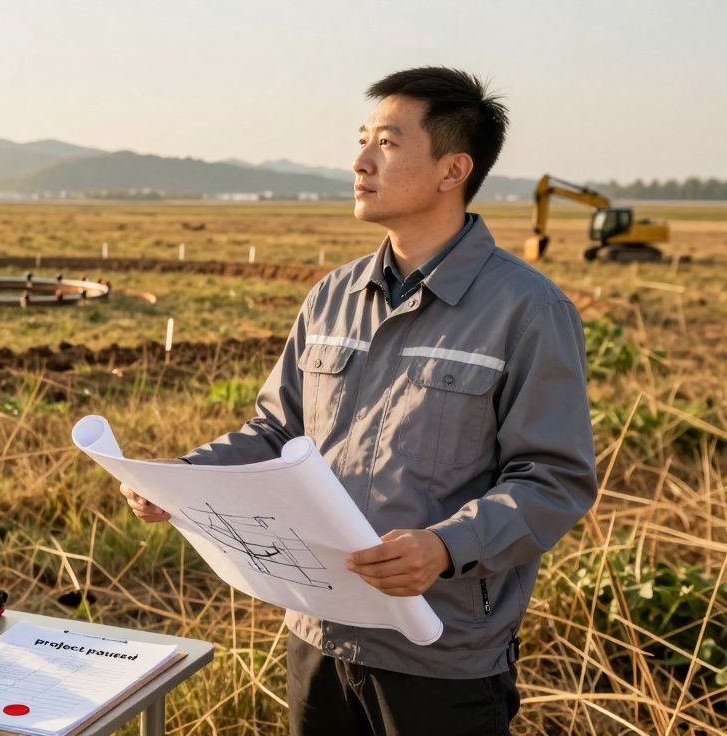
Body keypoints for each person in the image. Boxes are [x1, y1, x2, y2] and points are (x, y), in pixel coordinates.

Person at [120, 67, 597, 735]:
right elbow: (276, 429)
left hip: (442, 653)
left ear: (452, 169)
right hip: (317, 635)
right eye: (363, 139)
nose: (360, 161)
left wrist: (443, 546)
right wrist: (184, 478)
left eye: (388, 143)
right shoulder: (332, 297)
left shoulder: (527, 310)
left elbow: (554, 480)